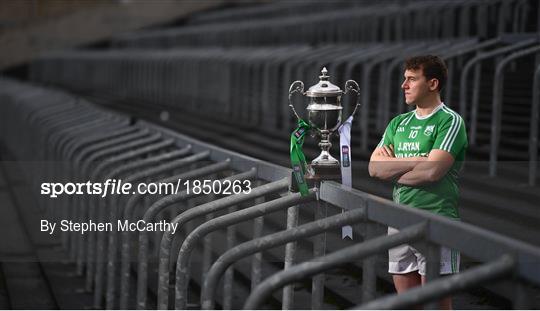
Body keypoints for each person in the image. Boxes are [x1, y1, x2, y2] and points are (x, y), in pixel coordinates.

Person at [368, 55, 467, 309]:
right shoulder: (398, 123)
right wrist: (419, 159)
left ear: (432, 84)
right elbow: (373, 168)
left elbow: (432, 172)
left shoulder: (450, 121)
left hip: (436, 220)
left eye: (412, 79)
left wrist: (393, 169)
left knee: (436, 305)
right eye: (404, 79)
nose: (404, 85)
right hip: (398, 220)